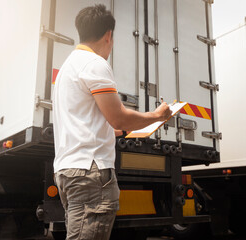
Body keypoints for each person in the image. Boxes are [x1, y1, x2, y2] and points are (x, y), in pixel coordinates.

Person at [52, 4, 172, 240]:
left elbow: (90, 122)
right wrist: (157, 116)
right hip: (90, 173)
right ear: (108, 35)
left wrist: (121, 130)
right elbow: (118, 115)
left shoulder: (68, 67)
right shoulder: (94, 64)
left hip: (69, 170)